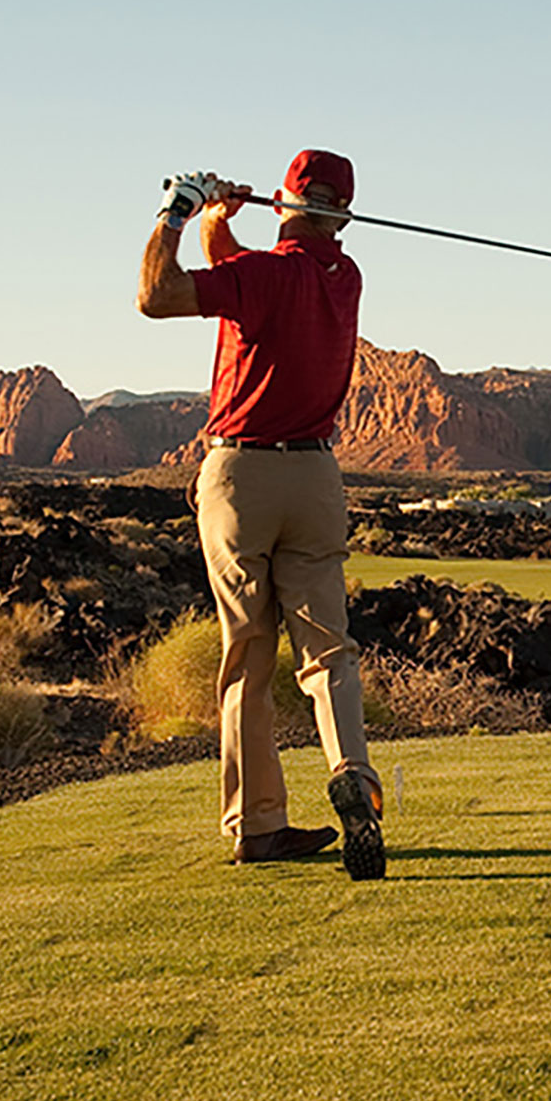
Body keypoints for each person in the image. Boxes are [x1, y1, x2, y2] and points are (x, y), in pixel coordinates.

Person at [137, 149, 385, 880]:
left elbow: (157, 295)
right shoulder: (344, 279)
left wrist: (178, 211)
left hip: (242, 474)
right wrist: (224, 222)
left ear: (288, 202)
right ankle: (354, 778)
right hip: (315, 478)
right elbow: (253, 274)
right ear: (341, 212)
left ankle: (258, 825)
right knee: (327, 651)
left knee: (248, 652)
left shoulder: (267, 276)